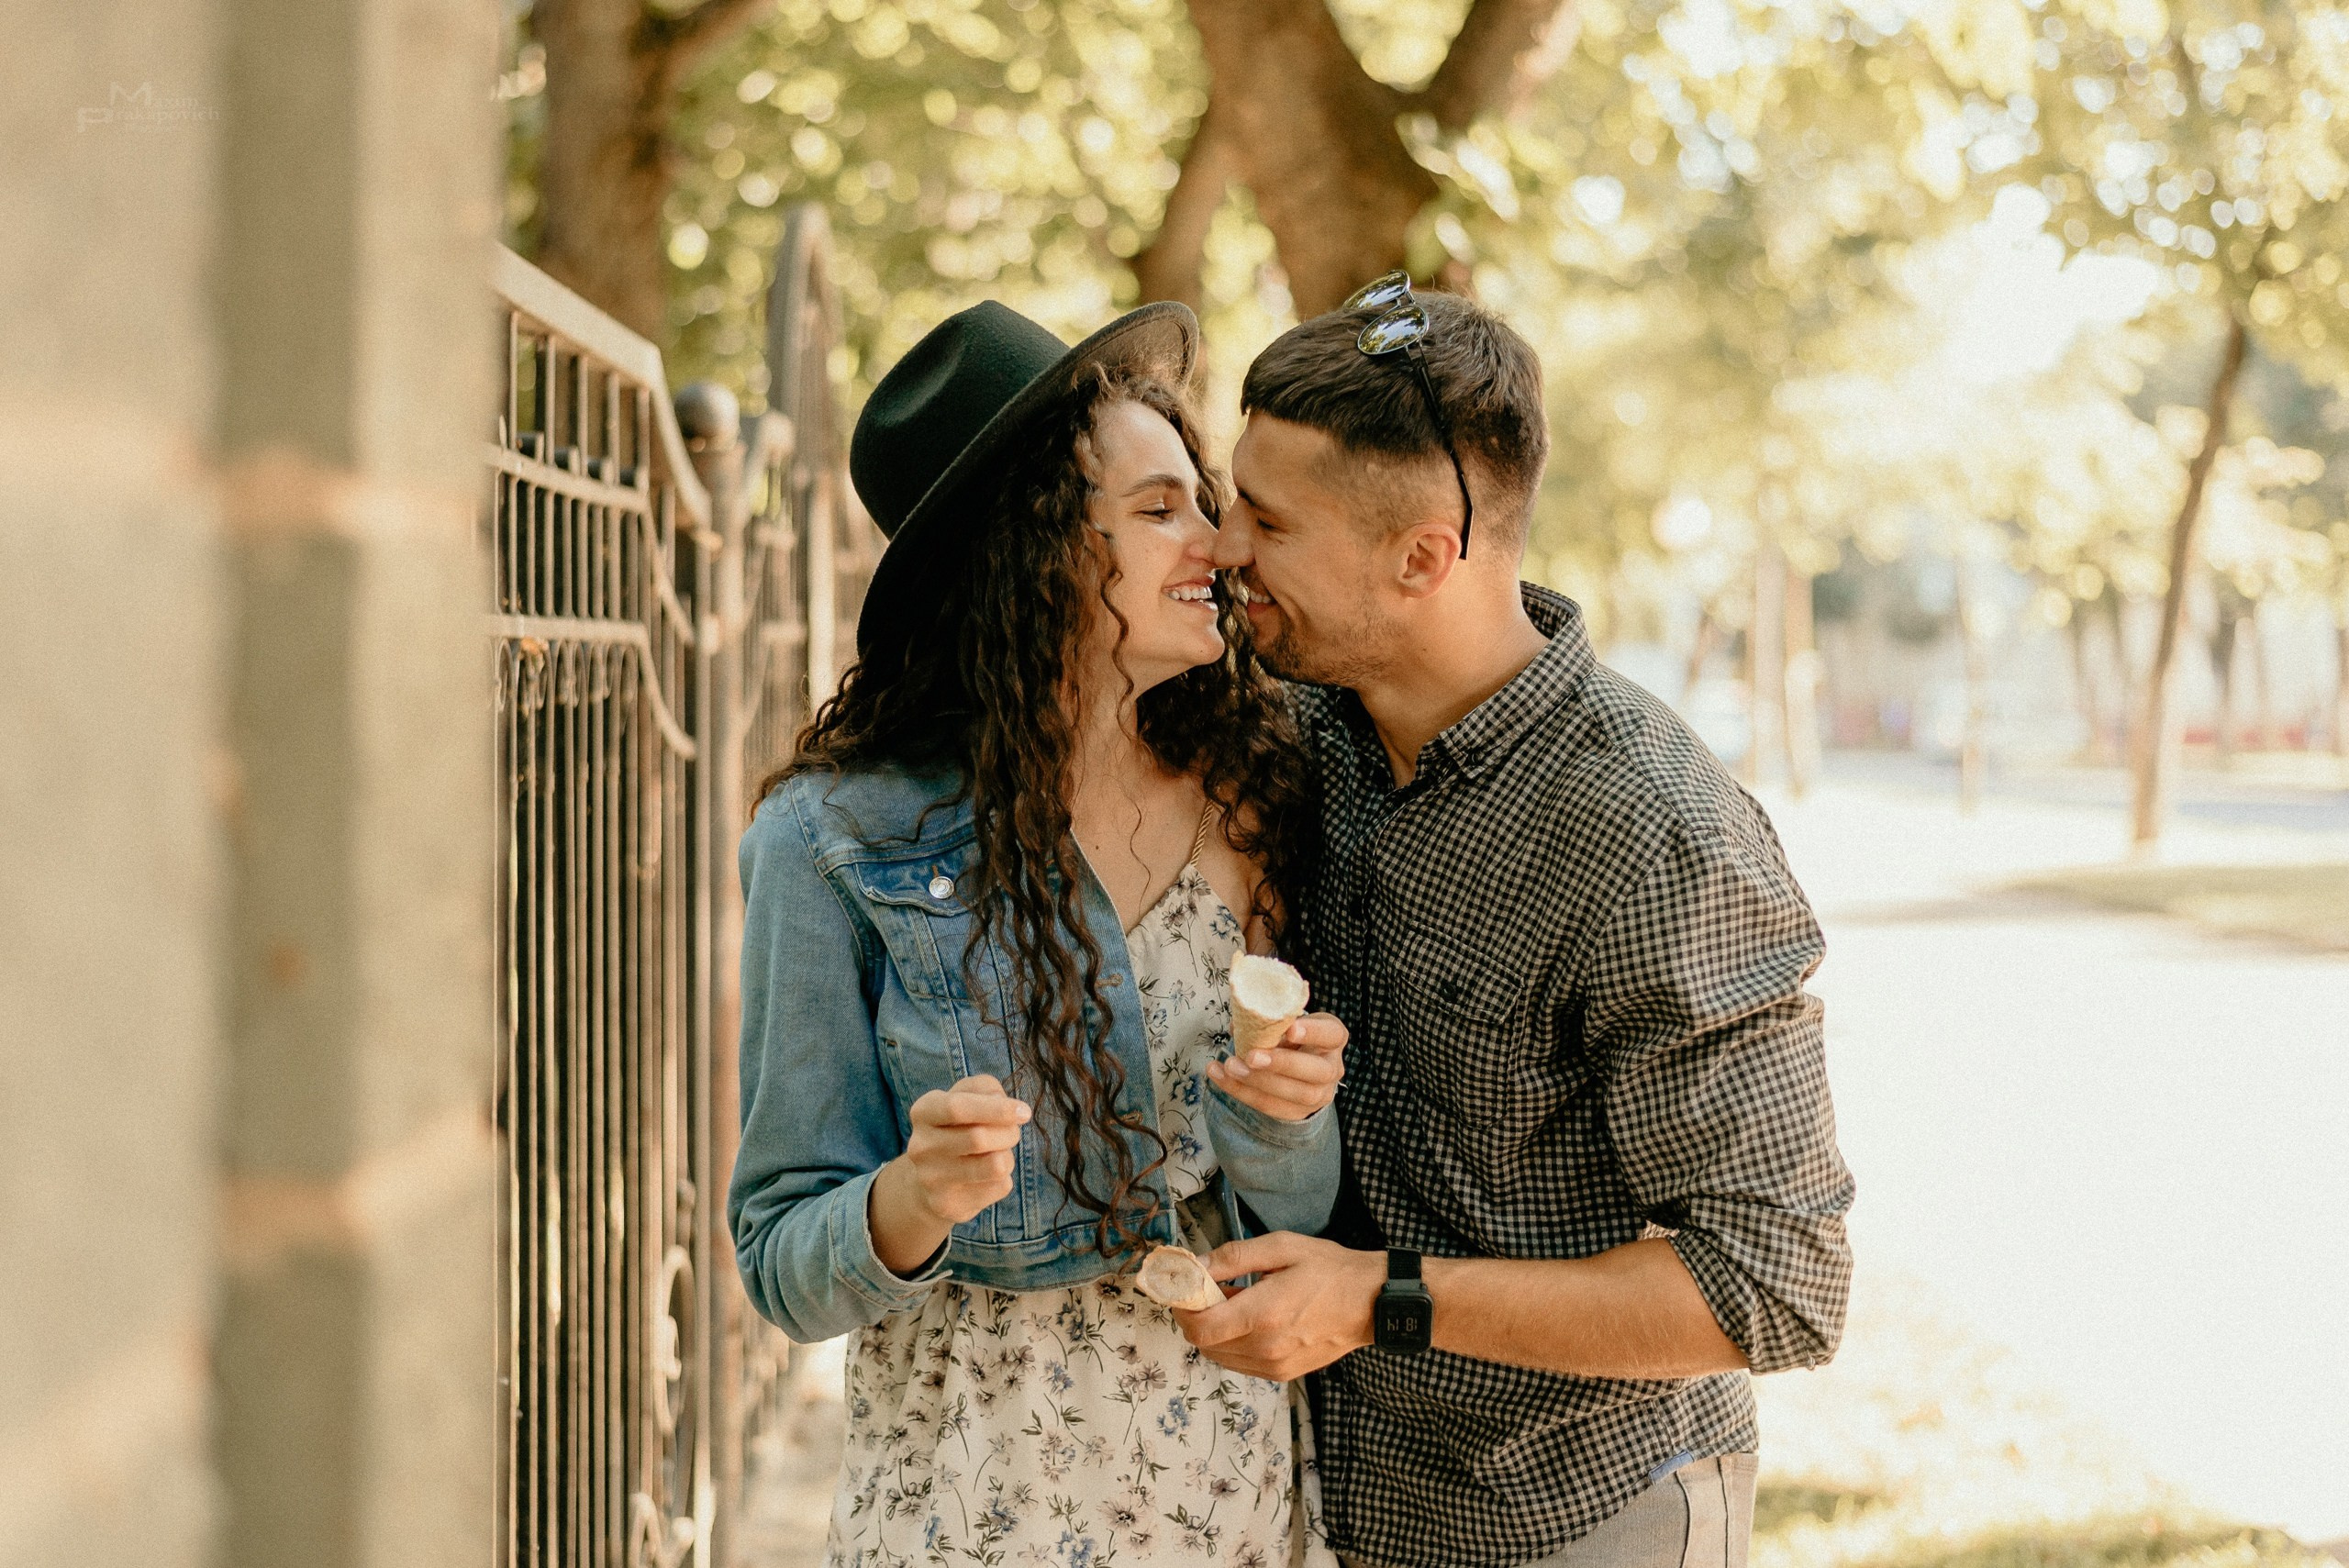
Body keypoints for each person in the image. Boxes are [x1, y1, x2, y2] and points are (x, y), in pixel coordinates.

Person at [1174, 275, 1857, 1568]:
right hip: (1353, 1503)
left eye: (1265, 519)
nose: (1224, 550)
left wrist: (1381, 1300)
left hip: (1592, 1513)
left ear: (1425, 554)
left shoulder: (1658, 835)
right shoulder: (1302, 730)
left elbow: (1774, 1284)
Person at [728, 297, 1349, 1567]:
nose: (1220, 542)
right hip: (965, 1507)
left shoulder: (1255, 795)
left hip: (1216, 1494)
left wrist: (1286, 1115)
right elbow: (782, 1261)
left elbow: (1286, 1211)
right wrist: (908, 1198)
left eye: (1204, 498)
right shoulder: (832, 840)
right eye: (1159, 506)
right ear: (1036, 548)